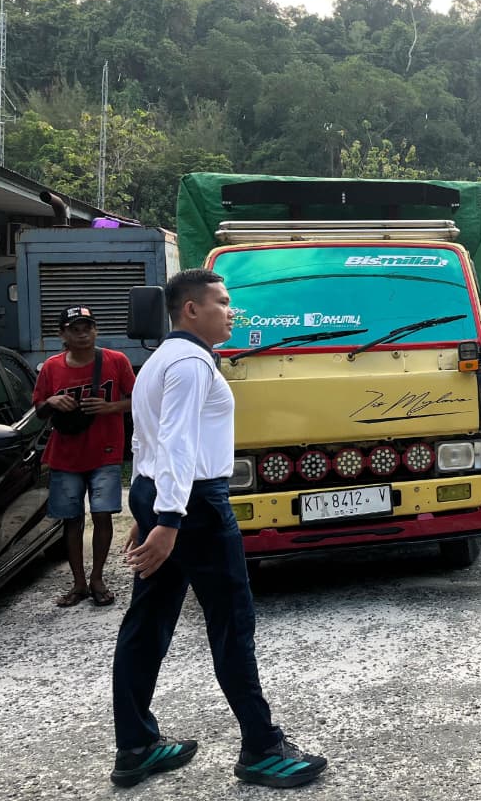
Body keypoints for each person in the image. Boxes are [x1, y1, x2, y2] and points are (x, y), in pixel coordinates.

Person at [110, 269, 327, 789]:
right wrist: (166, 521)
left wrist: (150, 509)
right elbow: (180, 445)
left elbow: (148, 443)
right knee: (232, 623)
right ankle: (261, 748)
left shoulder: (161, 358)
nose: (232, 312)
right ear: (191, 309)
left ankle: (136, 746)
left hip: (164, 493)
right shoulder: (190, 363)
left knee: (148, 623)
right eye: (223, 302)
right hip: (195, 507)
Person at [32, 305, 135, 608]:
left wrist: (110, 408)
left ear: (96, 330)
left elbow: (140, 397)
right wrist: (51, 400)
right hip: (66, 454)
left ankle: (98, 578)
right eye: (75, 329)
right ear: (62, 334)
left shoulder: (115, 361)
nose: (82, 334)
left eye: (87, 327)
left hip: (105, 451)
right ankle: (78, 582)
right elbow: (38, 410)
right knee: (71, 519)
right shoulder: (51, 368)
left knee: (103, 514)